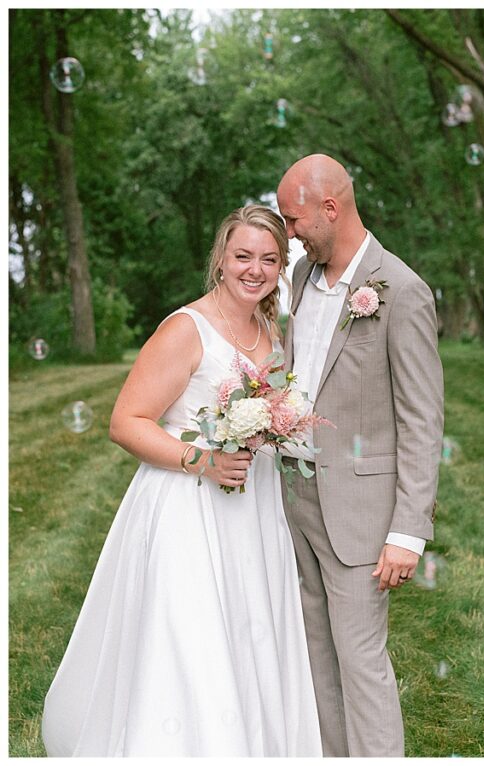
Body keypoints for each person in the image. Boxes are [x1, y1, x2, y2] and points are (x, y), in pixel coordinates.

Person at [41, 205, 321, 756]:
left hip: (253, 508)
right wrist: (203, 461)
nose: (255, 270)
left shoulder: (269, 331)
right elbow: (126, 421)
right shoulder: (185, 328)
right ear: (221, 259)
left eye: (269, 260)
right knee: (191, 636)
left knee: (249, 627)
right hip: (189, 508)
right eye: (243, 256)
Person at [276, 154, 444, 757]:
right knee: (315, 651)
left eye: (293, 221)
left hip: (360, 510)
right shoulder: (301, 277)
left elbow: (422, 419)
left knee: (360, 658)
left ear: (330, 208)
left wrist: (408, 531)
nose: (288, 235)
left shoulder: (400, 290)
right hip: (294, 494)